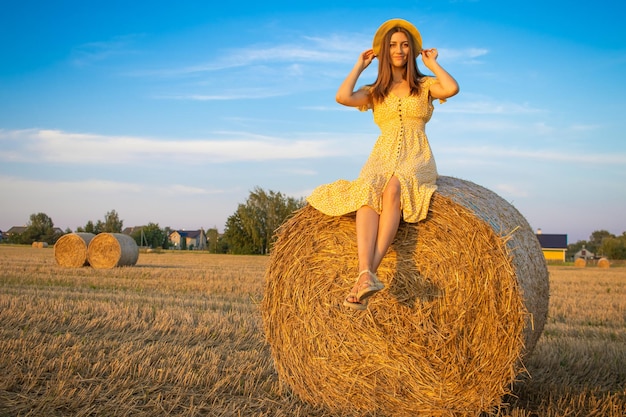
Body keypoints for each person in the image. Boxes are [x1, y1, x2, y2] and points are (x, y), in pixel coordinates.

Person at [306, 18, 459, 310]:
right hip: (381, 154)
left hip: (416, 155)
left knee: (393, 187)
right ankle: (366, 275)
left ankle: (367, 273)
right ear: (384, 52)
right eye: (392, 46)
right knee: (367, 191)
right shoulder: (375, 90)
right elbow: (342, 96)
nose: (399, 50)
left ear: (412, 50)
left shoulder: (425, 85)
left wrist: (433, 62)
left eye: (404, 45)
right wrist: (359, 66)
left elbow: (451, 88)